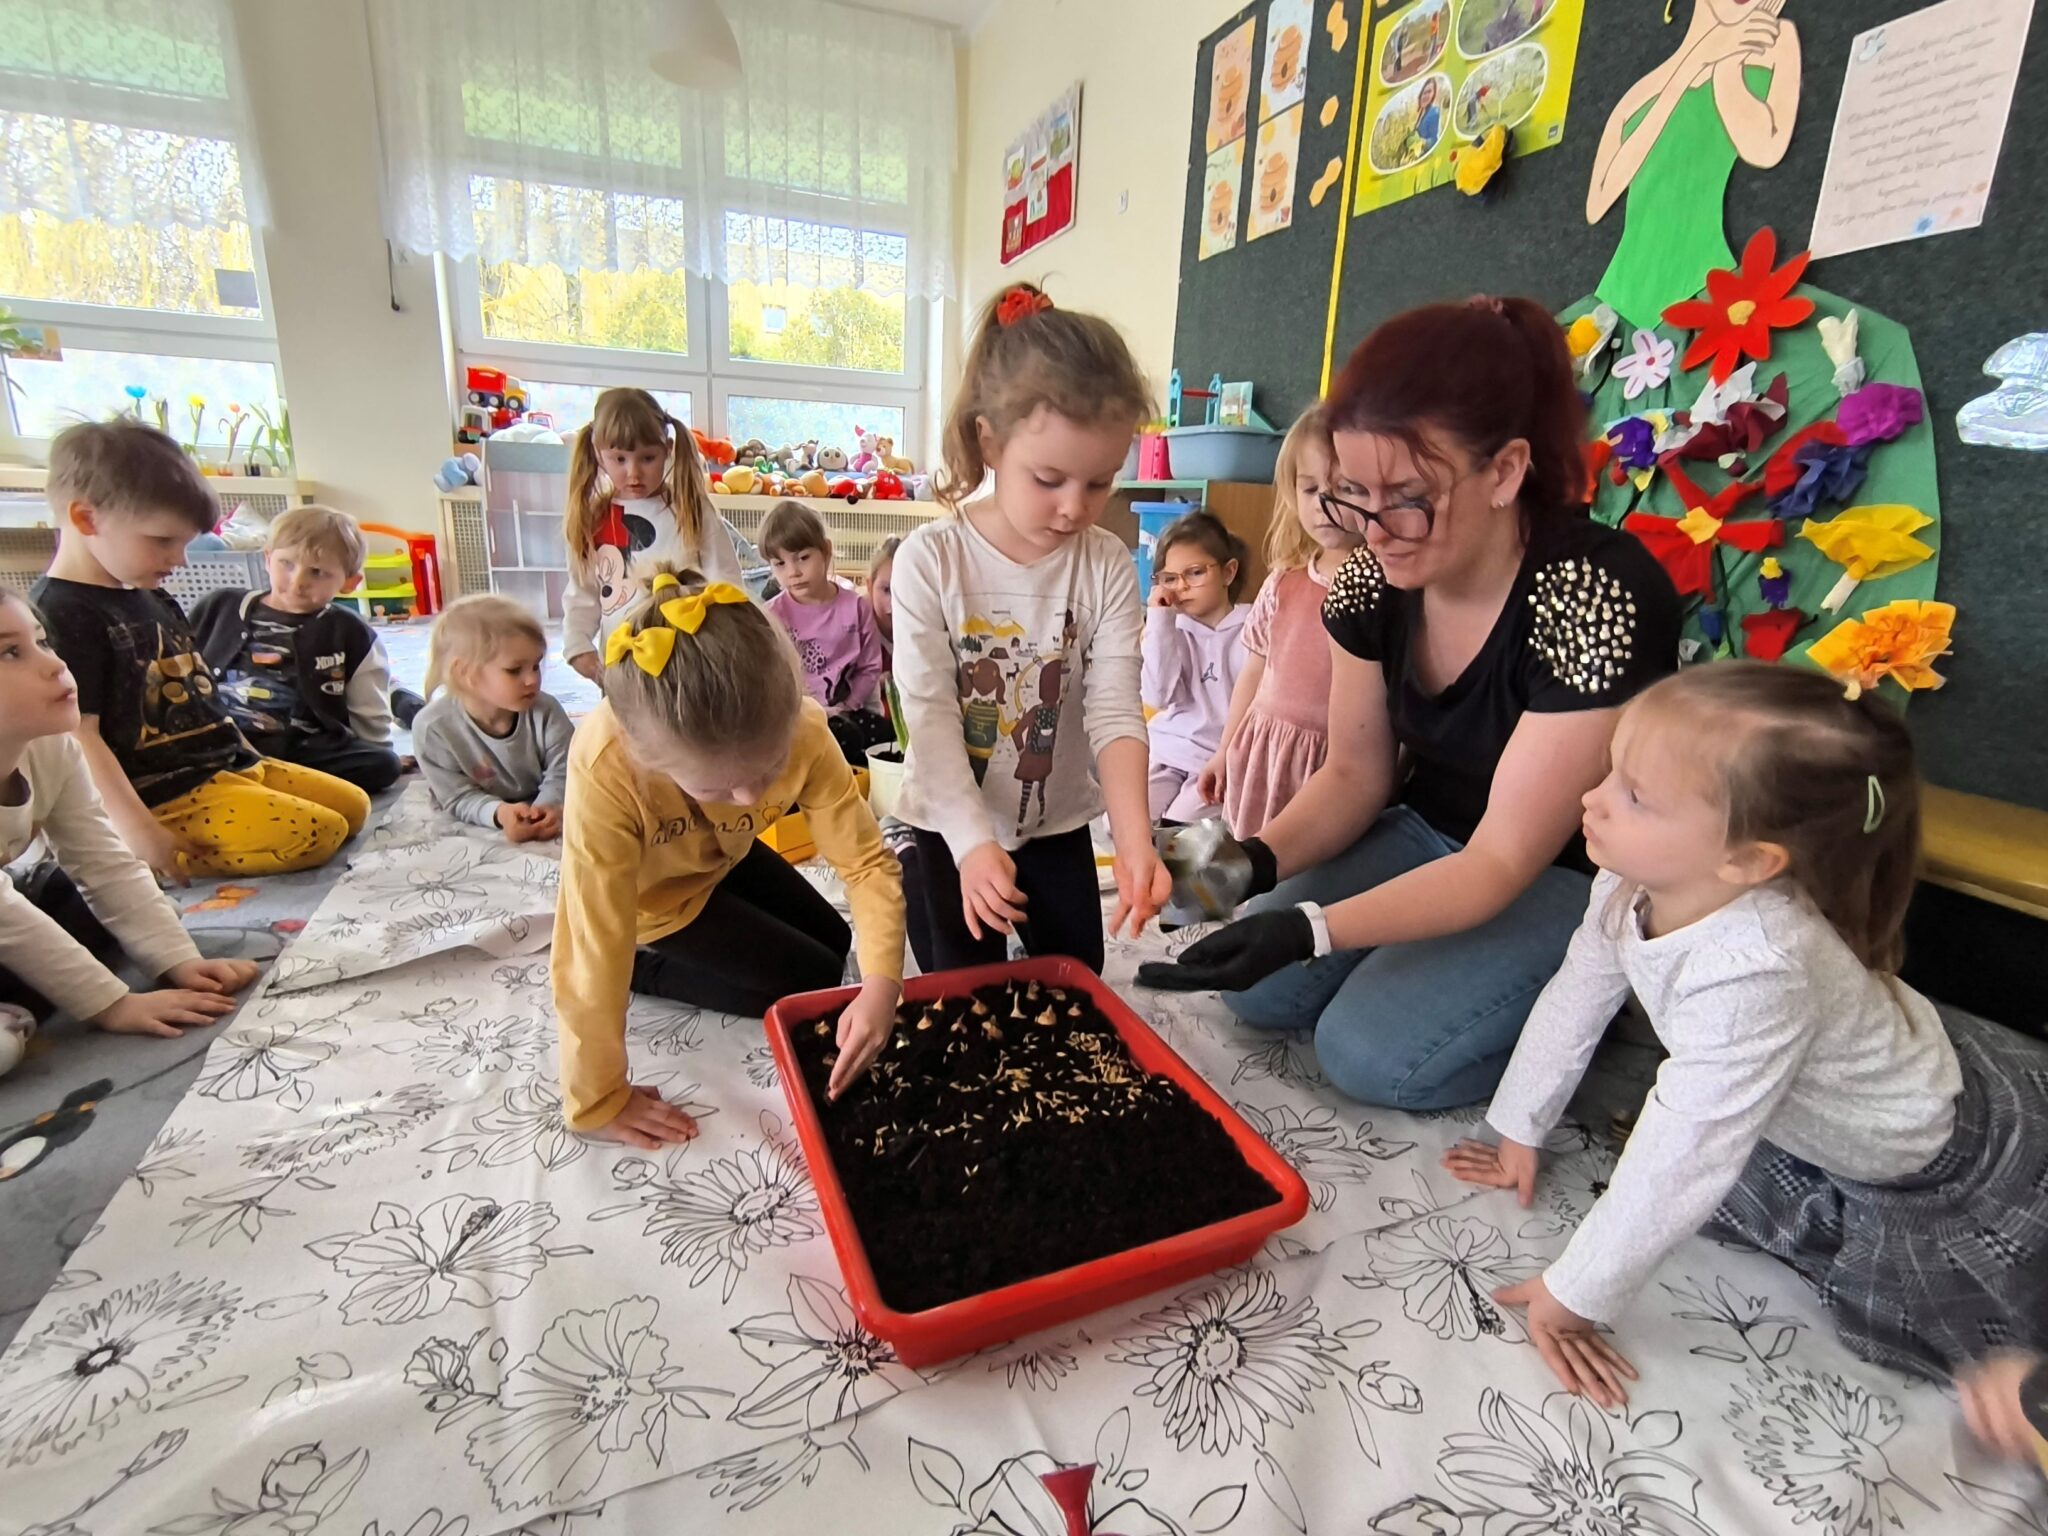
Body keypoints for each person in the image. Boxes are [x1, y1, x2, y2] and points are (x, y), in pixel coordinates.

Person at [1443, 664, 2048, 1408]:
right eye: (1611, 772)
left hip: (1931, 1162)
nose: (1591, 799)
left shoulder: (1755, 968)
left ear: (1748, 860)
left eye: (1635, 796)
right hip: (1822, 1106)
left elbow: (1685, 1151)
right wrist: (1518, 1127)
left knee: (1904, 1321)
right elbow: (1578, 993)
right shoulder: (1631, 877)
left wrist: (1574, 1294)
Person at [1140, 298, 1682, 1110]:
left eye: (1407, 497)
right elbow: (1354, 775)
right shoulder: (1369, 581)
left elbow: (1499, 861)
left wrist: (1312, 927)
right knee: (1257, 991)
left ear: (1505, 472)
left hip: (1559, 872)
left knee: (1367, 1054)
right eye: (1354, 493)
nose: (1374, 529)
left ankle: (1580, 1008)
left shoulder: (1593, 593)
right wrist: (1238, 865)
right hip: (1427, 827)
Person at [552, 570, 905, 1147]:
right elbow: (592, 939)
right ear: (649, 758)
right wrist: (598, 1099)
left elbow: (866, 863)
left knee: (839, 944)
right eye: (714, 787)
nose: (747, 798)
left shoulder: (804, 728)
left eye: (768, 771)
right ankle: (647, 966)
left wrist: (885, 983)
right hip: (655, 904)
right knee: (808, 979)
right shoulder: (607, 767)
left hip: (723, 859)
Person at [891, 283, 1169, 973]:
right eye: (1048, 479)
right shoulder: (931, 559)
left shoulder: (1106, 563)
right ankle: (913, 867)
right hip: (950, 815)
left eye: (1100, 483)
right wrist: (971, 844)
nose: (1075, 508)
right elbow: (929, 716)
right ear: (989, 441)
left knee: (1077, 973)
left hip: (1054, 816)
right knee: (965, 986)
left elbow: (1114, 710)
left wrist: (1135, 838)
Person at [32, 421, 371, 884]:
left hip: (220, 764)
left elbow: (202, 693)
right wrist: (139, 832)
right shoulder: (62, 611)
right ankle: (131, 858)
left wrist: (251, 758)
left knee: (353, 806)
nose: (181, 559)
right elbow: (79, 737)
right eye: (163, 541)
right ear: (87, 520)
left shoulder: (149, 593)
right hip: (163, 793)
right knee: (317, 833)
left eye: (185, 542)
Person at [0, 590, 259, 1049]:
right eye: (10, 653)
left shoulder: (55, 746)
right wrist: (112, 1004)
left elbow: (103, 861)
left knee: (91, 906)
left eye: (41, 642)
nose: (55, 664)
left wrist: (177, 958)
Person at [1197, 407, 1354, 838]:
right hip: (1263, 754)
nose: (1324, 504)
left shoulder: (1386, 590)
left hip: (1330, 765)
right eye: (1310, 488)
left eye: (1344, 488)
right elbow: (1253, 673)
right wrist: (1224, 750)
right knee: (1250, 857)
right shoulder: (1284, 581)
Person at [191, 504, 403, 795]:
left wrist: (377, 748)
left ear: (349, 582)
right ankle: (265, 781)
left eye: (317, 572)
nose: (298, 581)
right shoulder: (220, 606)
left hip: (301, 750)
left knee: (384, 764)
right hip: (223, 740)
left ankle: (268, 780)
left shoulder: (350, 631)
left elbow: (369, 706)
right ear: (267, 559)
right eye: (287, 564)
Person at [561, 388, 744, 685]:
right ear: (598, 453)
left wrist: (729, 643)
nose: (633, 473)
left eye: (647, 458)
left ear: (667, 449)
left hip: (687, 663)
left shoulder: (691, 509)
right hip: (621, 665)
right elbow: (582, 591)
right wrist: (578, 645)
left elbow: (725, 580)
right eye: (619, 459)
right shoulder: (591, 519)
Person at [411, 595, 573, 843]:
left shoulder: (547, 711)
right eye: (514, 670)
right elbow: (457, 796)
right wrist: (499, 813)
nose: (532, 679)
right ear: (465, 673)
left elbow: (565, 770)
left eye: (536, 666)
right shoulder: (433, 728)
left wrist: (547, 808)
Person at [759, 500, 892, 764]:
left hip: (849, 711)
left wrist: (847, 706)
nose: (793, 572)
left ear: (826, 551)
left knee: (888, 741)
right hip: (798, 719)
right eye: (780, 563)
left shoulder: (856, 607)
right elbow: (769, 678)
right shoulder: (771, 616)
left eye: (803, 558)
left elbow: (869, 668)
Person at [1143, 510, 1249, 823]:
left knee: (1179, 828)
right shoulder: (1168, 627)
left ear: (1228, 573)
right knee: (1125, 820)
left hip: (1219, 759)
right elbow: (1157, 695)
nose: (1182, 587)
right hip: (1167, 750)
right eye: (1170, 578)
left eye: (1195, 573)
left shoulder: (1252, 625)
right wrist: (1159, 620)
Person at [868, 535, 901, 674]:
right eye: (887, 590)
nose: (895, 602)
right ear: (870, 586)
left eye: (906, 591)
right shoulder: (853, 634)